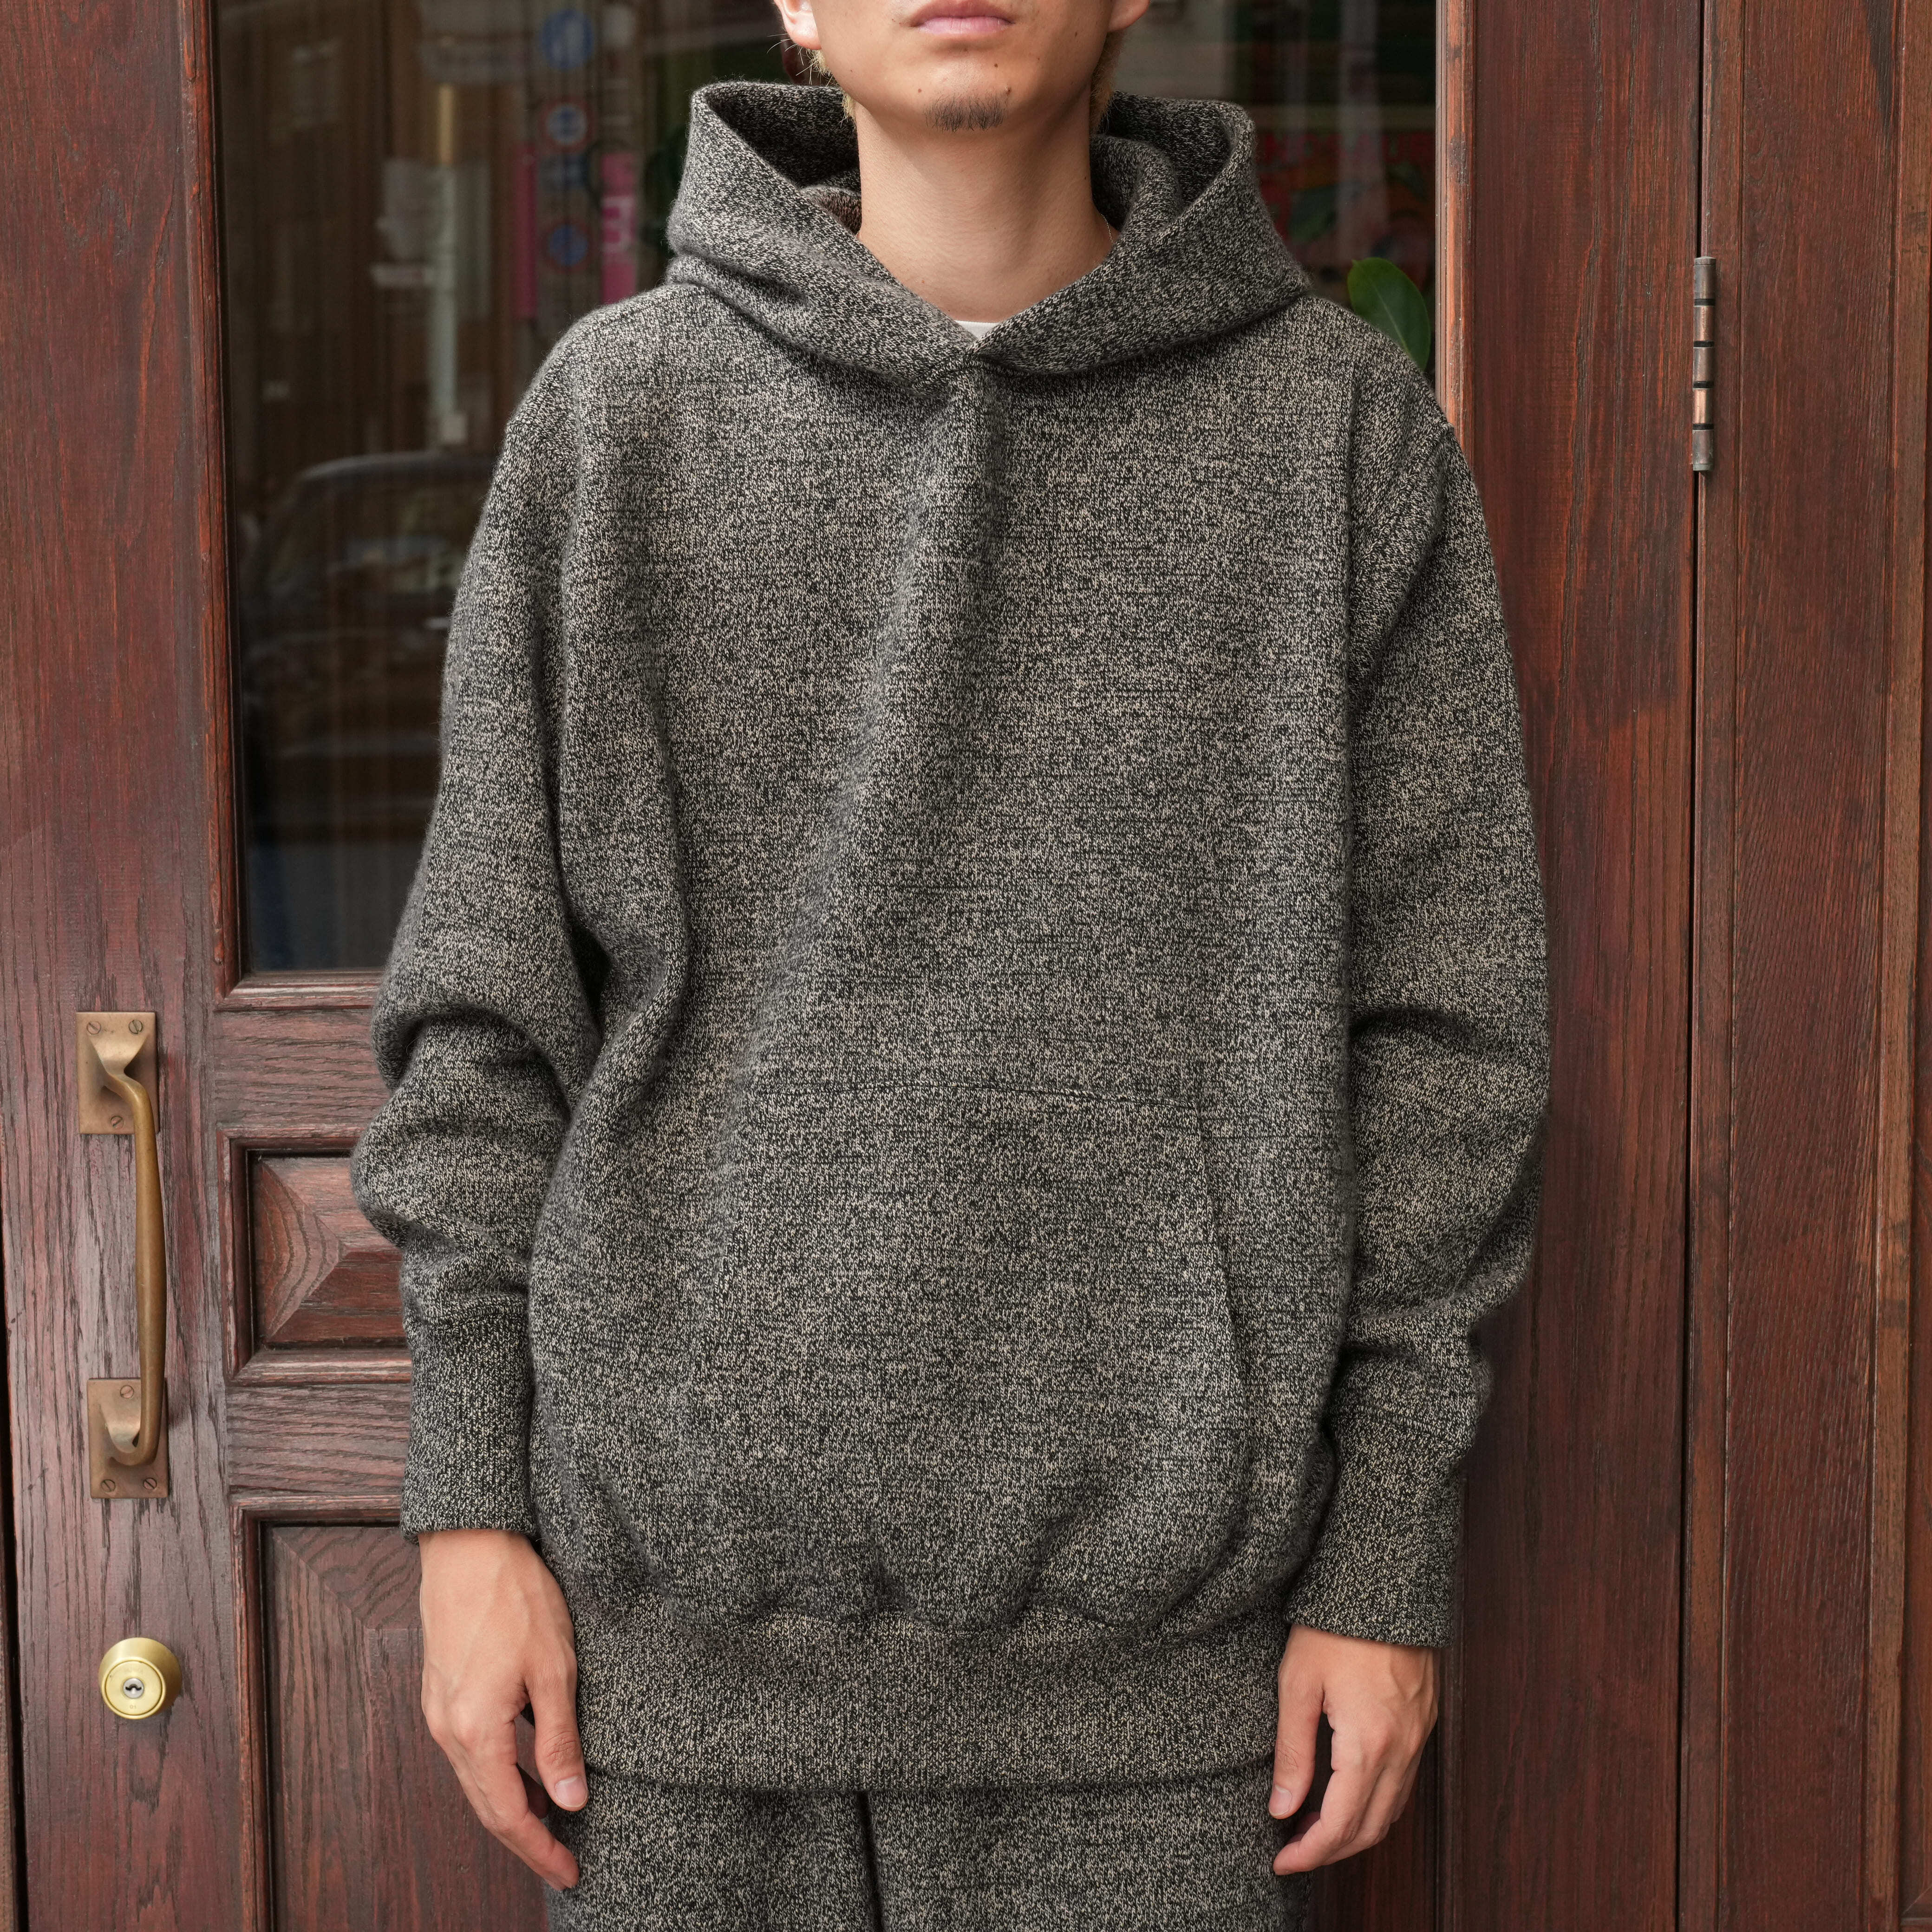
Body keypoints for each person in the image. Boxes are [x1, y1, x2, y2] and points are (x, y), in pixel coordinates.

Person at [346, 0, 1552, 1917]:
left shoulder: (1334, 433)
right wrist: (466, 1506)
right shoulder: (615, 420)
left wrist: (1382, 1549)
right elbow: (488, 1021)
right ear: (794, 6)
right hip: (663, 1696)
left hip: (1177, 1709)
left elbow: (1442, 1040)